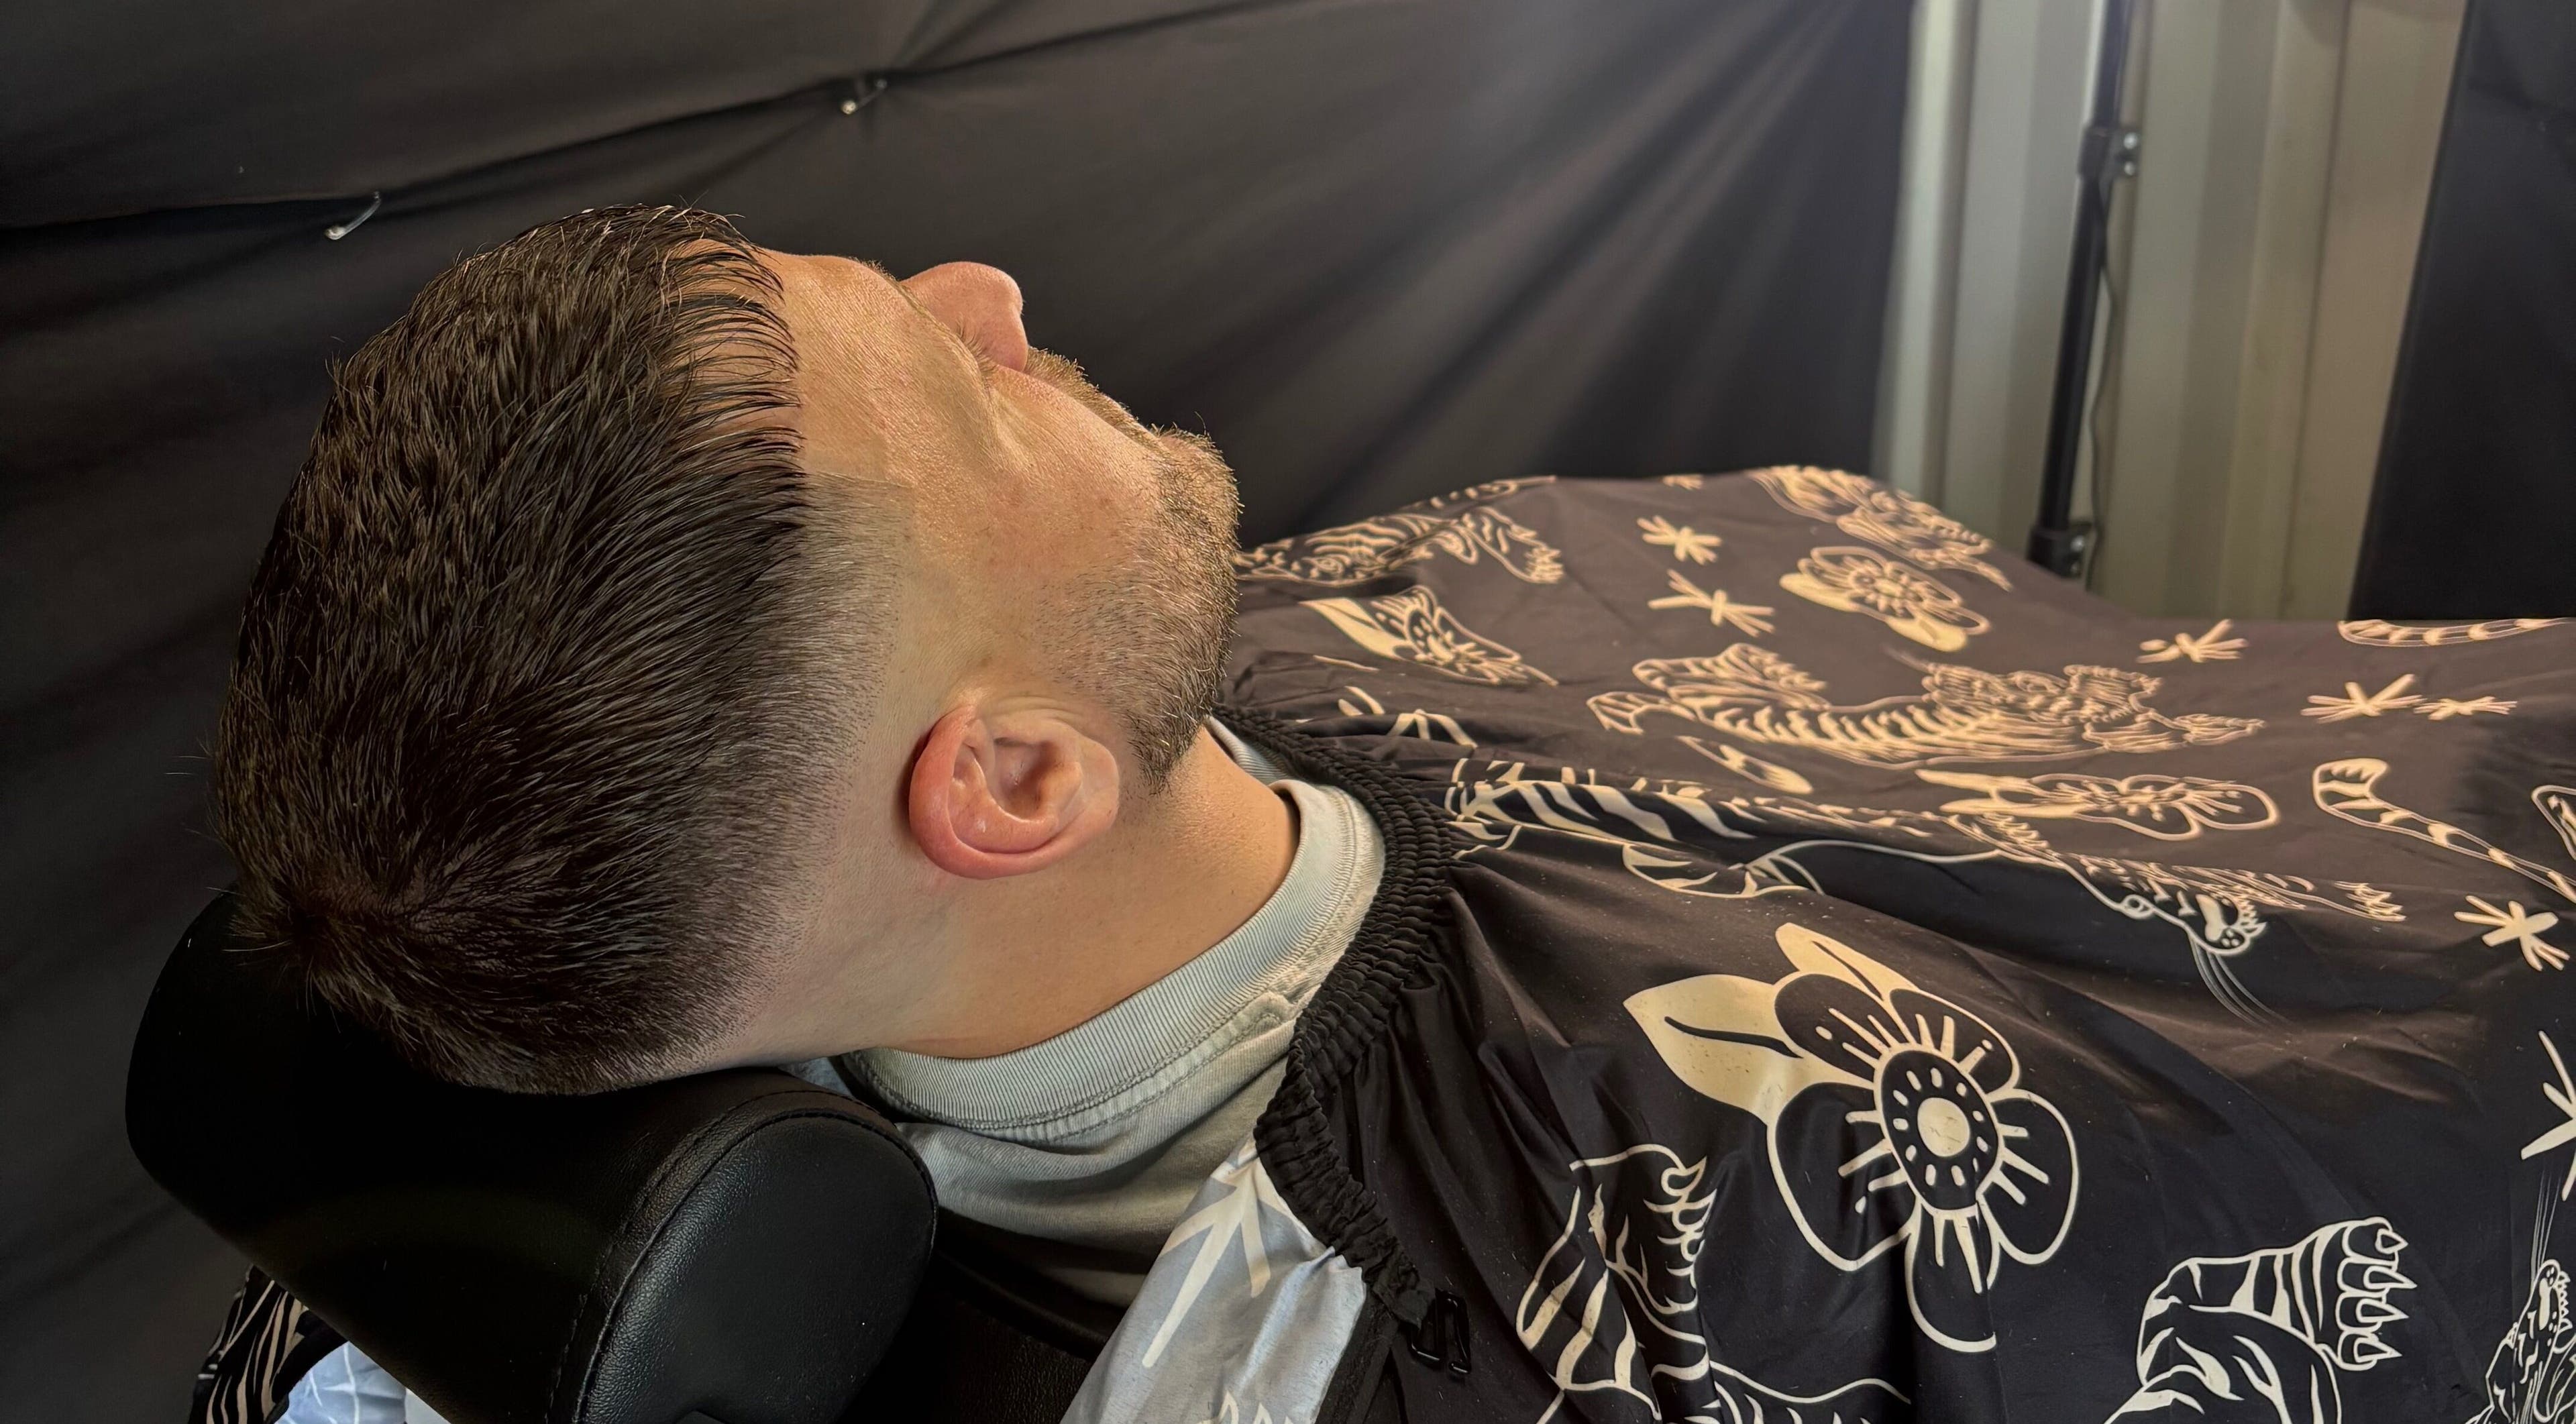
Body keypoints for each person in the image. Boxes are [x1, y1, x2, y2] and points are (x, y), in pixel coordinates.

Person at [211, 207, 2576, 1424]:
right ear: (1013, 782)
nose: (998, 289)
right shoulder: (1566, 1306)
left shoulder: (1144, 681)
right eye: (965, 382)